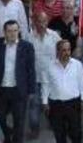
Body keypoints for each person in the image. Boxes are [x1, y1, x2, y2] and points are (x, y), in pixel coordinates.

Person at [0, 20, 36, 143]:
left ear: (19, 31)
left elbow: (31, 69)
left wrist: (31, 90)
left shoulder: (27, 47)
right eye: (9, 31)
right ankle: (7, 137)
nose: (13, 34)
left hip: (19, 90)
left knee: (19, 121)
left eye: (15, 30)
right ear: (4, 32)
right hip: (2, 89)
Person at [41, 39, 83, 143]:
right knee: (59, 133)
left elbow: (82, 83)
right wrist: (44, 102)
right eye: (64, 50)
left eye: (68, 50)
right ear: (57, 51)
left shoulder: (77, 65)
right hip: (56, 104)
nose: (67, 53)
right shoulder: (49, 66)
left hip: (73, 103)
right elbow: (46, 84)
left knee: (76, 133)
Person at [27, 10, 61, 139]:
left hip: (50, 78)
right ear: (34, 22)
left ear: (47, 21)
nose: (42, 24)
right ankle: (34, 129)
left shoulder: (54, 36)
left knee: (51, 102)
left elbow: (61, 52)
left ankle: (52, 123)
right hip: (34, 77)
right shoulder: (28, 37)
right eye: (39, 21)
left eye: (44, 21)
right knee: (34, 104)